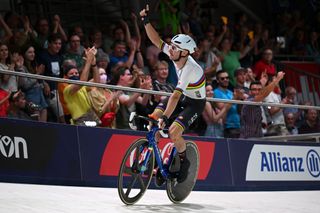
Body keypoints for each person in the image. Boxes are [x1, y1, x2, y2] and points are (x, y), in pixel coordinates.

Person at [140, 5, 206, 184]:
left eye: (175, 48)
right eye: (172, 47)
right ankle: (158, 161)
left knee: (173, 131)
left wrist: (167, 117)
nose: (171, 49)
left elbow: (175, 97)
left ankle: (184, 162)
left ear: (185, 52)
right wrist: (145, 20)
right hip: (182, 96)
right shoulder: (176, 53)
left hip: (194, 103)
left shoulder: (190, 69)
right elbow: (156, 40)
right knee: (154, 118)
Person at [240, 71, 285, 138]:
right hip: (247, 138)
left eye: (259, 89)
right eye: (254, 89)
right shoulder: (248, 101)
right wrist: (277, 79)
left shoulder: (259, 101)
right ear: (249, 92)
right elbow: (263, 94)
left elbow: (262, 93)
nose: (257, 92)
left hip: (259, 136)